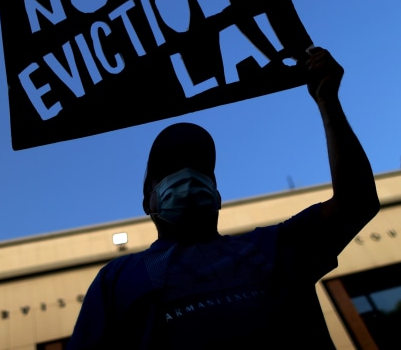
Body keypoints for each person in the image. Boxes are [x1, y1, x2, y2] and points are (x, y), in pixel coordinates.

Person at [66, 48, 379, 350]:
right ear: (149, 202)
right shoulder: (117, 279)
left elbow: (357, 202)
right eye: (170, 170)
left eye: (199, 168)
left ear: (217, 195)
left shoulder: (277, 246)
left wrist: (328, 101)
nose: (187, 175)